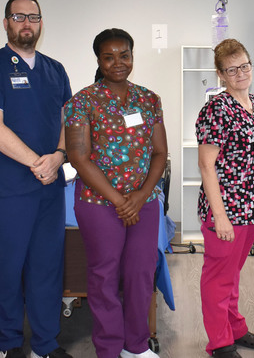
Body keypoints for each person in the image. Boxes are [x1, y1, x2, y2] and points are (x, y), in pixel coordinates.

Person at [0, 0, 73, 358]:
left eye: (33, 17)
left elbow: (68, 122)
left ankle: (46, 343)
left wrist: (58, 157)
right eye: (19, 16)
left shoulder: (55, 70)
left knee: (47, 266)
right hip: (10, 188)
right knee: (7, 267)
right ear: (6, 23)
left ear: (41, 23)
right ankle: (10, 342)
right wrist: (38, 163)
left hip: (50, 188)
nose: (27, 23)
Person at [64, 28, 167, 358]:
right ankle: (108, 348)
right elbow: (78, 158)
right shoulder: (82, 102)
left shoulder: (149, 99)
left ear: (133, 56)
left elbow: (160, 153)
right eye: (109, 57)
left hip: (144, 203)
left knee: (141, 273)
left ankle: (135, 346)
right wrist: (120, 200)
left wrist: (140, 196)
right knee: (104, 275)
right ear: (99, 61)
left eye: (124, 55)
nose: (118, 62)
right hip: (99, 204)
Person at [195, 39, 254, 358]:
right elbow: (206, 165)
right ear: (220, 74)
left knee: (231, 274)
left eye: (244, 66)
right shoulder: (216, 109)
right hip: (226, 208)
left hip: (253, 206)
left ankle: (235, 327)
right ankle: (219, 342)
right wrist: (220, 216)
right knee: (218, 276)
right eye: (231, 69)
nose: (240, 73)